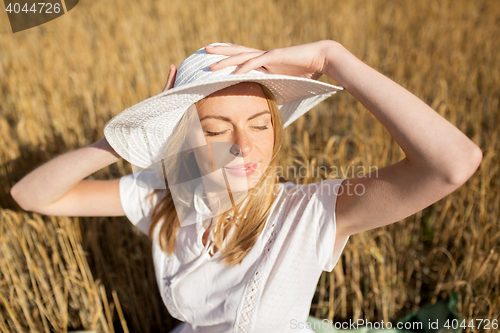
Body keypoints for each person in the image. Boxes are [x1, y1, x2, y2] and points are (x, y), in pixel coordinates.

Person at [10, 40, 482, 333]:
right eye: (216, 130)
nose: (244, 148)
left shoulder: (309, 214)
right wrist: (129, 140)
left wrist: (331, 57)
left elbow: (453, 164)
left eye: (260, 124)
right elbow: (31, 196)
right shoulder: (163, 197)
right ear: (181, 138)